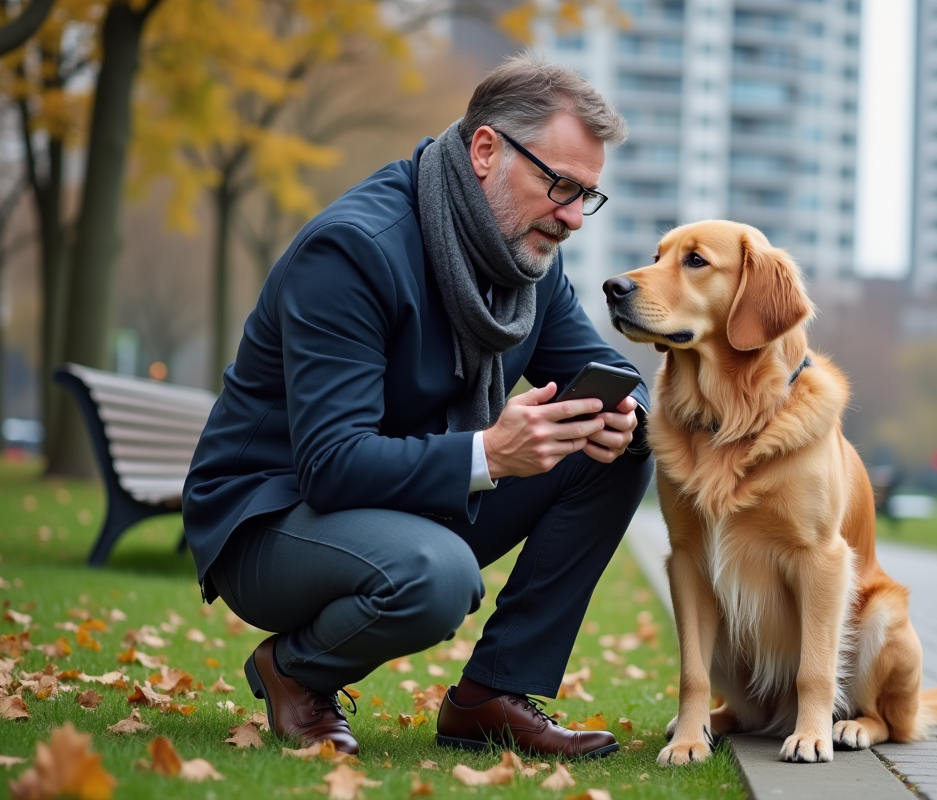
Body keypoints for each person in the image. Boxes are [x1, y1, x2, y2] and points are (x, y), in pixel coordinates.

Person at [182, 55, 653, 759]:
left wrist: (628, 416)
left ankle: (489, 695)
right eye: (559, 185)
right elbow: (331, 464)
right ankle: (293, 672)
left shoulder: (526, 266)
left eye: (588, 195)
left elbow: (615, 372)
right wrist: (489, 454)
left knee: (614, 455)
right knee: (436, 576)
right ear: (486, 150)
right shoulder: (354, 250)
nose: (573, 217)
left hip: (397, 503)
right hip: (269, 517)